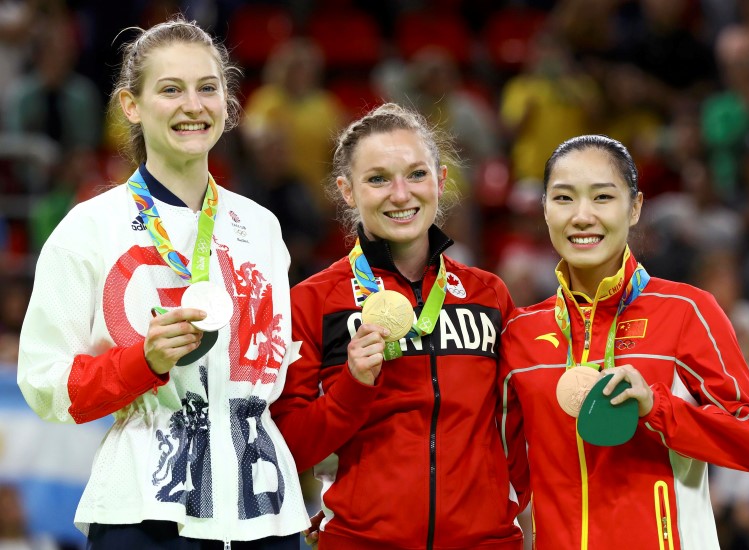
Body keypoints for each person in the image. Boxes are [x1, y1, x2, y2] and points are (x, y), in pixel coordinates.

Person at [17, 16, 309, 549]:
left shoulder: (262, 228)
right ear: (131, 105)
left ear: (227, 101)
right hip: (144, 511)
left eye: (207, 88)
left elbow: (275, 378)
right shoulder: (89, 228)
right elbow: (43, 387)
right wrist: (141, 364)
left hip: (264, 512)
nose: (192, 106)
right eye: (170, 89)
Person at [271, 102, 529, 550]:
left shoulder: (490, 296)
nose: (401, 194)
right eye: (377, 179)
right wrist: (351, 388)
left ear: (441, 181)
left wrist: (498, 514)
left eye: (416, 174)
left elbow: (525, 425)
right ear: (347, 191)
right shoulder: (311, 303)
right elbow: (284, 451)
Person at [499, 134, 749, 549]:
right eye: (563, 199)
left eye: (602, 197)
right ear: (544, 210)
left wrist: (657, 407)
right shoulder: (520, 334)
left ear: (635, 208)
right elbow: (502, 478)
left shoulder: (686, 311)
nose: (582, 216)